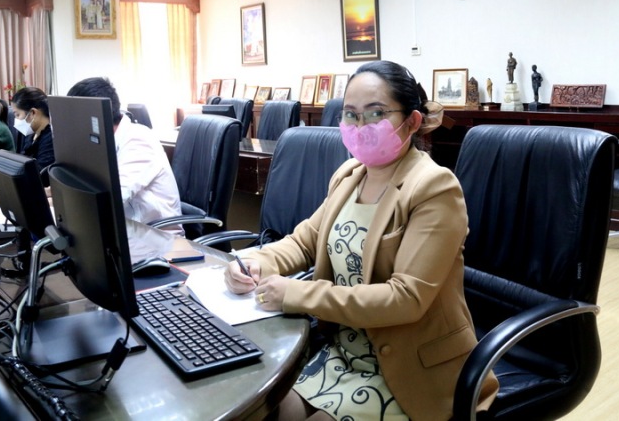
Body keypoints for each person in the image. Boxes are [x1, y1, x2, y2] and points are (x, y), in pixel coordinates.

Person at [224, 61, 498, 420]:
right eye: (350, 114)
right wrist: (257, 262)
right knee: (266, 409)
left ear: (412, 121)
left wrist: (295, 293)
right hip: (343, 352)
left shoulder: (434, 187)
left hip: (410, 369)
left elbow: (406, 298)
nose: (359, 126)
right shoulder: (349, 175)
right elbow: (305, 241)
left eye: (376, 113)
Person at [66, 77, 183, 248]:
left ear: (94, 115)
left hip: (155, 238)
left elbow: (114, 195)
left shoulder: (138, 140)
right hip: (128, 230)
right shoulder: (106, 140)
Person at [0, 87, 55, 182]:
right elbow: (21, 163)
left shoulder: (51, 138)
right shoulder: (31, 134)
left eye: (17, 115)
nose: (15, 120)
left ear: (33, 113)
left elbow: (39, 174)